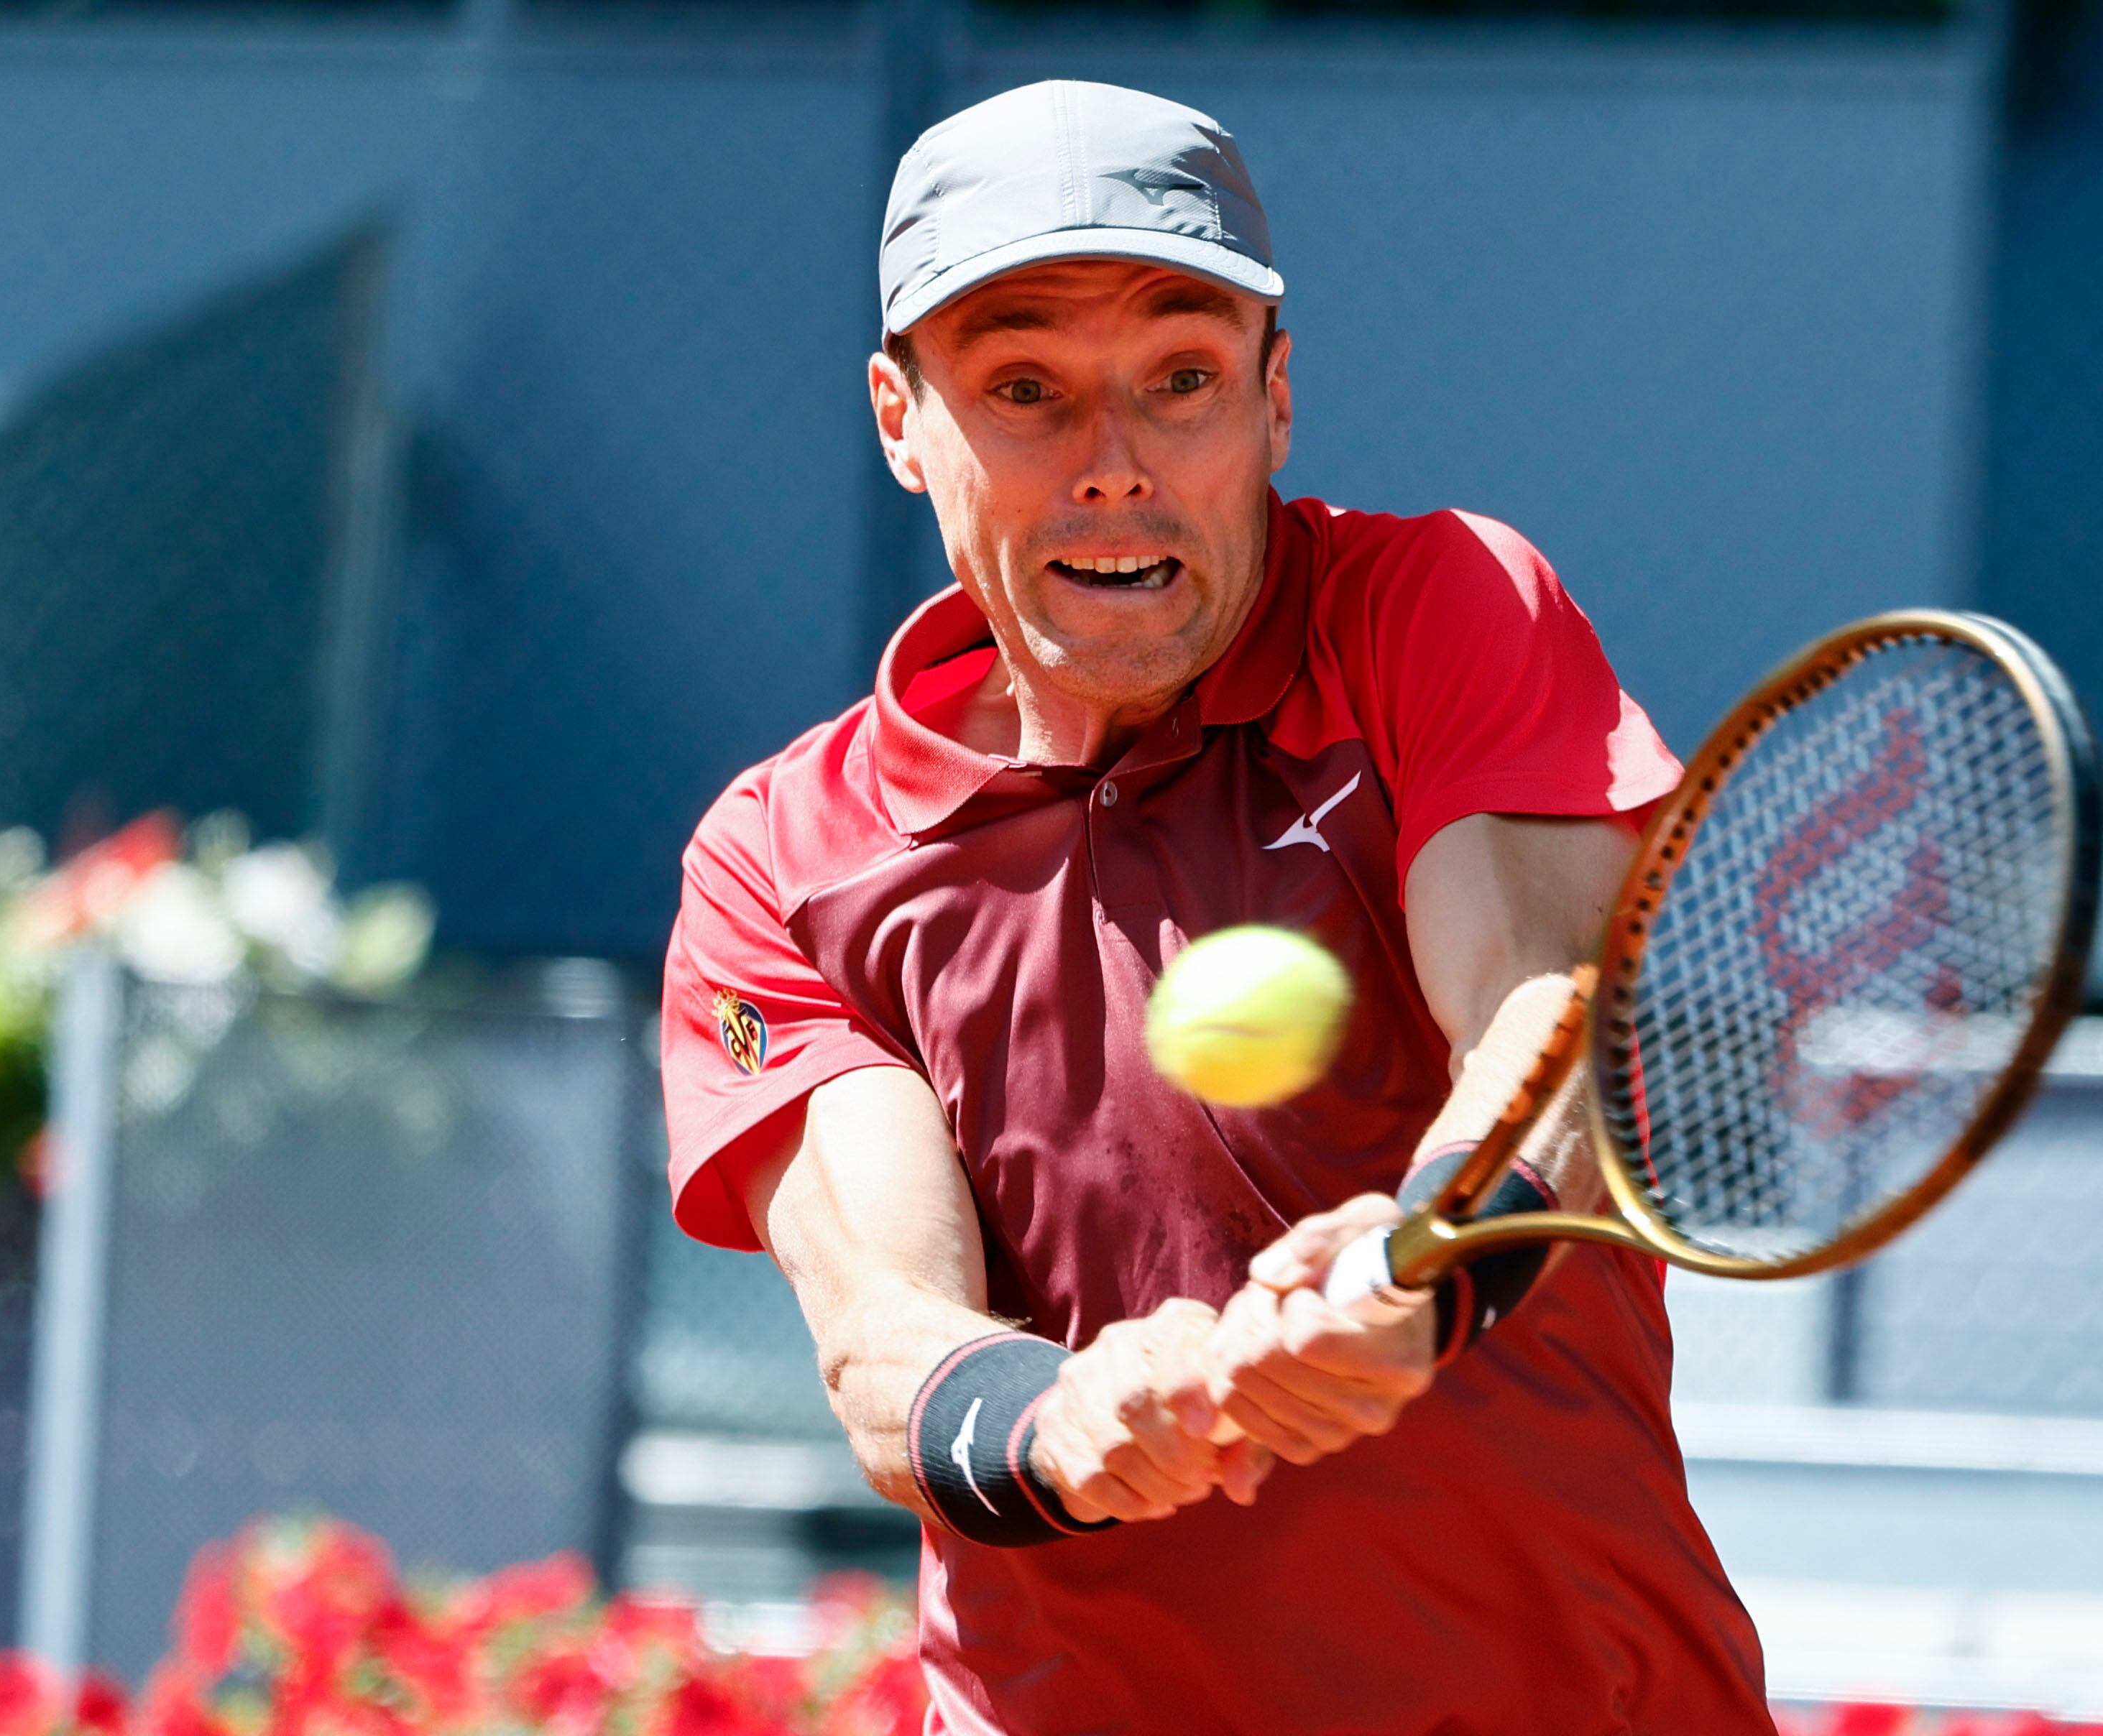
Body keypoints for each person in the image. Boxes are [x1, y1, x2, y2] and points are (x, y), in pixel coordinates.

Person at [660, 78, 1775, 1735]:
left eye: (1178, 380)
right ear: (901, 420)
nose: (1114, 466)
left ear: (1272, 399)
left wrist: (1431, 1253)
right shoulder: (781, 858)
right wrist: (1069, 1418)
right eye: (1024, 389)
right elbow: (882, 1340)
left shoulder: (1438, 609)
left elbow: (1552, 1016)